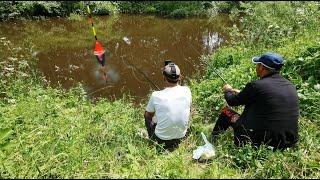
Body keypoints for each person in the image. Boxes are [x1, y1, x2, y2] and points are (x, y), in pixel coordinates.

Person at [211, 52, 299, 150]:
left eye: (257, 64)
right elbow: (265, 97)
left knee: (226, 112)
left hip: (260, 143)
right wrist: (241, 92)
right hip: (288, 142)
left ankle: (213, 140)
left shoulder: (256, 86)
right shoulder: (290, 86)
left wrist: (227, 90)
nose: (256, 67)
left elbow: (232, 101)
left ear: (261, 67)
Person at [144, 62, 192, 150]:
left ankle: (151, 138)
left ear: (164, 78)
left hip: (161, 140)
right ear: (180, 77)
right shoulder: (187, 90)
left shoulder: (156, 95)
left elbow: (148, 115)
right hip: (181, 137)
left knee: (147, 116)